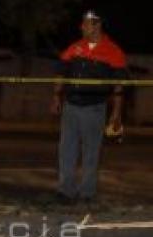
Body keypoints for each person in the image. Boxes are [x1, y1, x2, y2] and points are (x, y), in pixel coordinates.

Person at [51, 10, 127, 203]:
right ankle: (65, 191)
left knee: (91, 152)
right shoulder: (75, 48)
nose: (82, 27)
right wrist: (56, 96)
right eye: (82, 24)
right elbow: (61, 72)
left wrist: (116, 113)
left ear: (97, 25)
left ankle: (87, 193)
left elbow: (119, 86)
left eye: (85, 24)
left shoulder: (113, 52)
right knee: (66, 150)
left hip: (95, 107)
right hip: (71, 105)